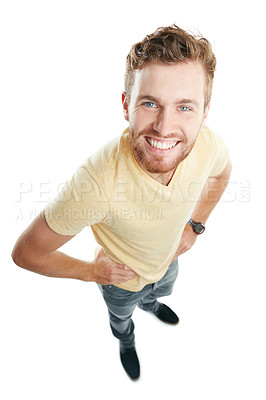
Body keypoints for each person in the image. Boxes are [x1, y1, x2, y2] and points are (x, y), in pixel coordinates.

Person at [12, 24, 232, 381]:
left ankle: (152, 303)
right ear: (127, 104)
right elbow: (26, 254)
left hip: (167, 263)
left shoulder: (207, 144)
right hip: (119, 280)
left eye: (185, 107)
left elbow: (222, 175)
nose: (164, 127)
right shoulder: (96, 184)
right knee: (122, 315)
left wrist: (195, 226)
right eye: (150, 103)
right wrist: (89, 271)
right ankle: (125, 338)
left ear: (205, 112)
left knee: (159, 290)